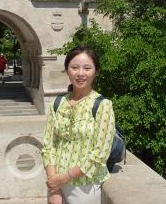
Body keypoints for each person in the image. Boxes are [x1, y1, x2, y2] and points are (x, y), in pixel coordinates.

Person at [41, 46, 115, 204]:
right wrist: (54, 188)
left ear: (96, 71)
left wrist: (63, 178)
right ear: (67, 70)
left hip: (85, 187)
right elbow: (49, 146)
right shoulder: (58, 102)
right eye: (74, 67)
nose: (80, 73)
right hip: (56, 185)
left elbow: (99, 154)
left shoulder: (102, 105)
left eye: (87, 68)